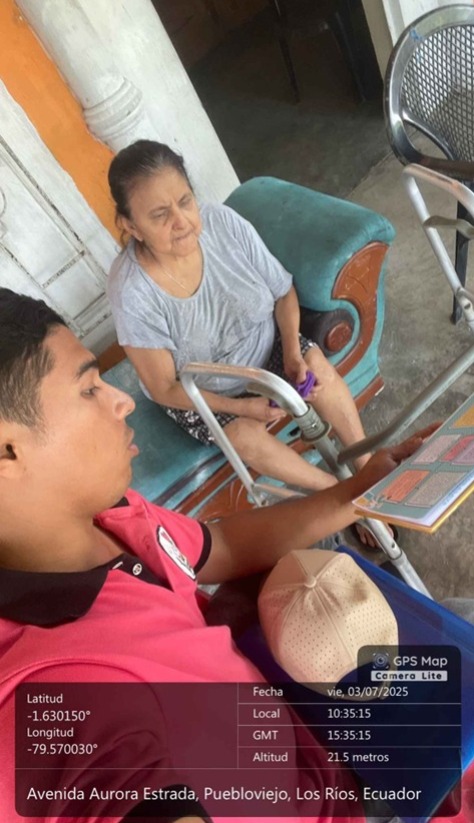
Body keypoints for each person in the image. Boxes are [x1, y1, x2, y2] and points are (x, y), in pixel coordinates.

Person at [0, 288, 468, 823]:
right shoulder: (49, 696)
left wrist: (359, 490)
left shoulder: (113, 514)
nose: (122, 399)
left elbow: (220, 546)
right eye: (88, 388)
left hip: (310, 738)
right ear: (7, 449)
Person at [106, 140, 383, 548]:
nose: (181, 221)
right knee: (244, 437)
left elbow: (282, 292)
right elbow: (165, 387)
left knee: (316, 365)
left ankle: (367, 470)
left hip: (265, 345)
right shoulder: (132, 291)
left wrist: (292, 353)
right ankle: (342, 497)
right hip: (201, 389)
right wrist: (241, 407)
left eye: (185, 201)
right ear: (131, 226)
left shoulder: (222, 224)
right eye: (160, 215)